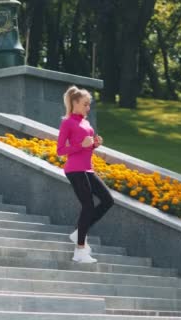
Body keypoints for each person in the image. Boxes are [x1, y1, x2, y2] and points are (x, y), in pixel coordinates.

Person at [57, 85, 114, 263]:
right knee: (88, 206)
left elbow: (86, 145)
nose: (88, 108)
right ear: (74, 103)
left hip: (87, 169)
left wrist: (94, 144)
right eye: (85, 104)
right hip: (74, 169)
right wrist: (81, 145)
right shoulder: (67, 122)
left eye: (89, 105)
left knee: (108, 200)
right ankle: (79, 251)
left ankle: (78, 232)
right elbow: (60, 150)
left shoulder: (86, 123)